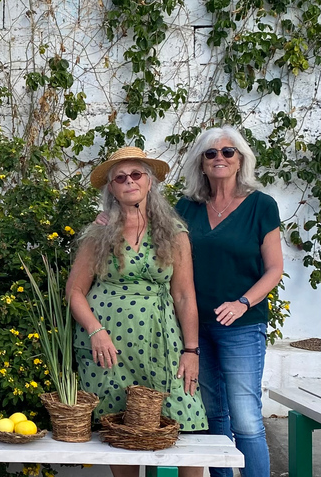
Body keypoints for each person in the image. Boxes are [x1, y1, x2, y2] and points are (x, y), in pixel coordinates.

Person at [67, 147, 207, 477]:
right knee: (121, 436)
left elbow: (185, 296)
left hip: (162, 344)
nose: (129, 181)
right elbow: (74, 292)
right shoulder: (98, 233)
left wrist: (191, 350)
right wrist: (95, 331)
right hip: (108, 352)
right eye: (120, 177)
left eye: (136, 174)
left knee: (188, 426)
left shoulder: (174, 232)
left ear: (149, 182)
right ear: (112, 189)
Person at [176, 126, 283, 477]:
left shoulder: (261, 206)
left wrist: (242, 302)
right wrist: (106, 219)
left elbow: (274, 270)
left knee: (247, 418)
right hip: (195, 329)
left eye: (228, 152)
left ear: (240, 160)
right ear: (201, 164)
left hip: (241, 327)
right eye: (210, 153)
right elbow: (146, 226)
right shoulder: (186, 208)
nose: (219, 158)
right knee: (213, 415)